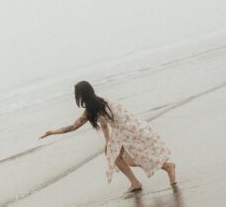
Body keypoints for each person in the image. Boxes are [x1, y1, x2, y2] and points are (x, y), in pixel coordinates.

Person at [39, 81, 176, 195]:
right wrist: (107, 141)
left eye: (78, 94)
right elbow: (104, 123)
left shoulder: (91, 110)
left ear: (82, 95)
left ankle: (164, 168)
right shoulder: (102, 101)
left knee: (129, 159)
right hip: (130, 126)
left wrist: (52, 132)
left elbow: (73, 127)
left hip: (127, 130)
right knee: (122, 158)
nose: (77, 97)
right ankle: (137, 182)